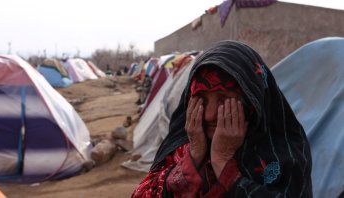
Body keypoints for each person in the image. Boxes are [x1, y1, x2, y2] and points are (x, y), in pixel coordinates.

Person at [131, 40, 312, 197]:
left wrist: (222, 163)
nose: (209, 115)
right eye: (201, 99)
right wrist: (194, 156)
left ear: (250, 101)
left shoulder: (284, 155)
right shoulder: (183, 146)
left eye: (223, 100)